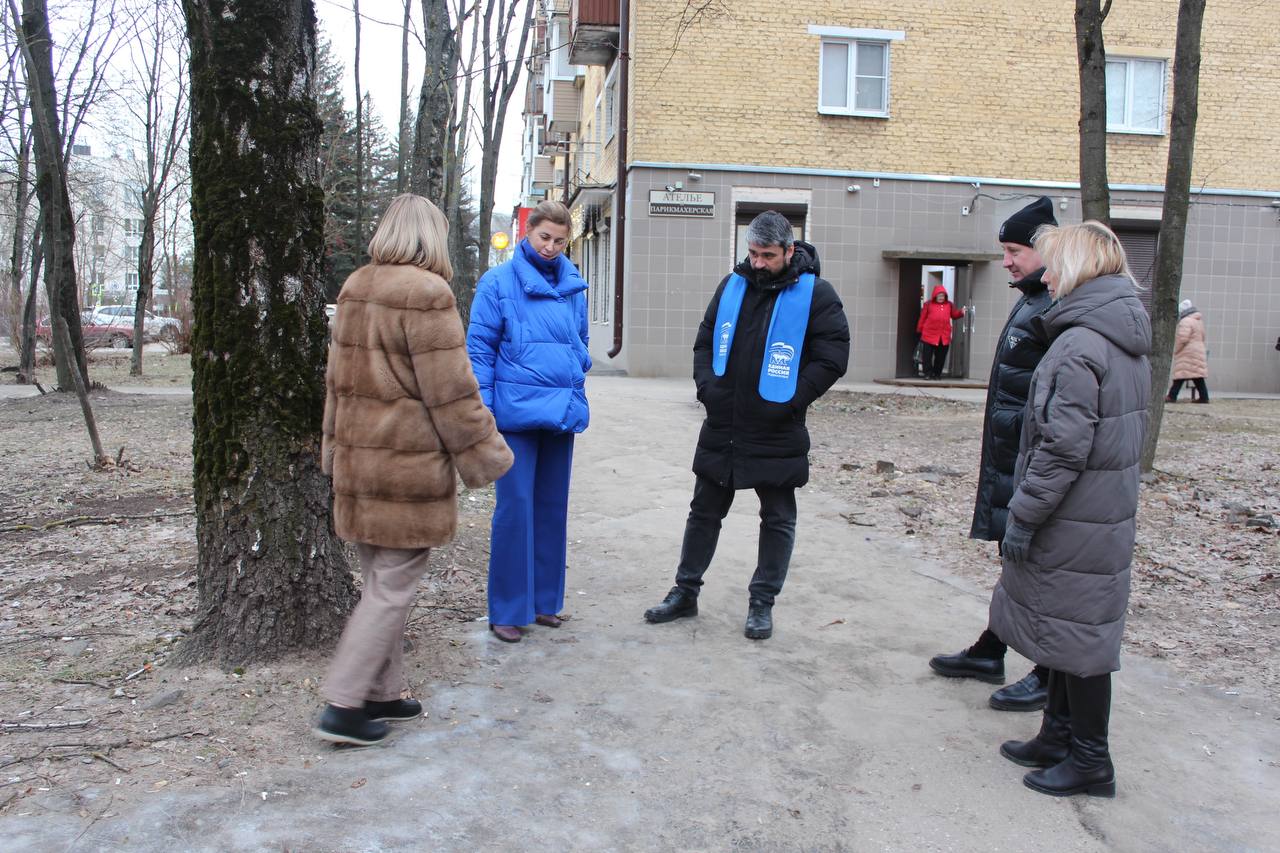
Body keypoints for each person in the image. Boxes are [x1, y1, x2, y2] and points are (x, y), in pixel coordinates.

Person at [316, 194, 514, 745]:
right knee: (392, 588)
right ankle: (343, 702)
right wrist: (488, 455)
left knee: (382, 581)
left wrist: (332, 453)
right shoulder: (428, 295)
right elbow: (451, 393)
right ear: (432, 235)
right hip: (406, 477)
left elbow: (335, 384)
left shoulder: (356, 286)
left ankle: (382, 692)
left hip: (359, 467)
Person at [990, 220, 1151, 798]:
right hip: (1097, 513)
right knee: (1065, 627)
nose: (1046, 275)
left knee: (1080, 639)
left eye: (1054, 265)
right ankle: (1057, 736)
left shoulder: (1081, 343)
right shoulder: (1114, 335)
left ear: (1078, 269)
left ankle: (1091, 760)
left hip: (1074, 516)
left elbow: (1062, 446)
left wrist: (1024, 514)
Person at [642, 211, 850, 640]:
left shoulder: (817, 295)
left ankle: (762, 602)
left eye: (767, 255)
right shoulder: (732, 285)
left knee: (777, 517)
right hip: (724, 422)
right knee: (703, 511)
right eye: (752, 253)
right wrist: (707, 389)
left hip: (777, 426)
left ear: (790, 251)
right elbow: (705, 339)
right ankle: (685, 592)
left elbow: (832, 358)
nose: (757, 263)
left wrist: (791, 401)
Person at [929, 196, 1057, 712]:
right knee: (1013, 558)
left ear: (1044, 248)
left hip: (1033, 460)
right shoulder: (1032, 298)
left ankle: (1050, 671)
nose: (1006, 260)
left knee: (1039, 567)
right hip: (1011, 455)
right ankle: (993, 647)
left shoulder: (1056, 302)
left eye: (1013, 250)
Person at [467, 200, 590, 644]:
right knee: (515, 511)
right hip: (513, 416)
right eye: (544, 237)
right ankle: (506, 609)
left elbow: (580, 342)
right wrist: (484, 409)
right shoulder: (497, 282)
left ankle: (543, 602)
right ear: (527, 232)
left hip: (559, 413)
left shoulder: (575, 285)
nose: (552, 247)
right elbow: (479, 350)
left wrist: (578, 376)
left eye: (560, 240)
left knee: (551, 509)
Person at [915, 283, 964, 379]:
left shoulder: (949, 305)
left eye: (943, 296)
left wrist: (961, 312)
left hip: (943, 336)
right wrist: (919, 330)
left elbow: (954, 315)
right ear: (935, 296)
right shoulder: (928, 304)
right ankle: (928, 373)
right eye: (939, 295)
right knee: (927, 357)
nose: (941, 297)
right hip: (929, 334)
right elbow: (922, 318)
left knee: (941, 357)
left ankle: (937, 374)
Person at [1166, 299, 1209, 403]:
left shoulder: (1185, 321)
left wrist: (1176, 350)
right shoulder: (1198, 321)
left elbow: (1182, 338)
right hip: (1198, 350)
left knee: (1181, 374)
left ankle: (1172, 396)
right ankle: (1204, 397)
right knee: (1197, 376)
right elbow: (1203, 336)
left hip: (1188, 352)